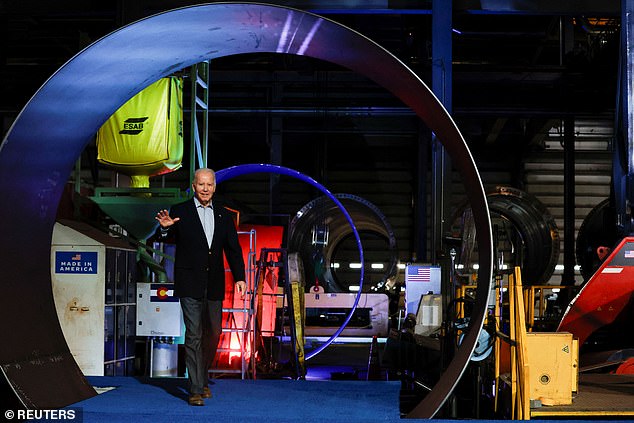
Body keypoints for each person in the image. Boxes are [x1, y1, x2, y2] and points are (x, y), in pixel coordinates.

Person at [155, 168, 246, 406]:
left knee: (214, 332)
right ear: (194, 186)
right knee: (193, 334)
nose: (205, 189)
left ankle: (202, 377)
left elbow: (233, 250)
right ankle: (195, 388)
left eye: (209, 184)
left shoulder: (225, 216)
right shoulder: (180, 211)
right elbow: (164, 238)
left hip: (214, 283)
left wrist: (240, 277)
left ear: (215, 187)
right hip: (189, 283)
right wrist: (165, 228)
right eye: (201, 184)